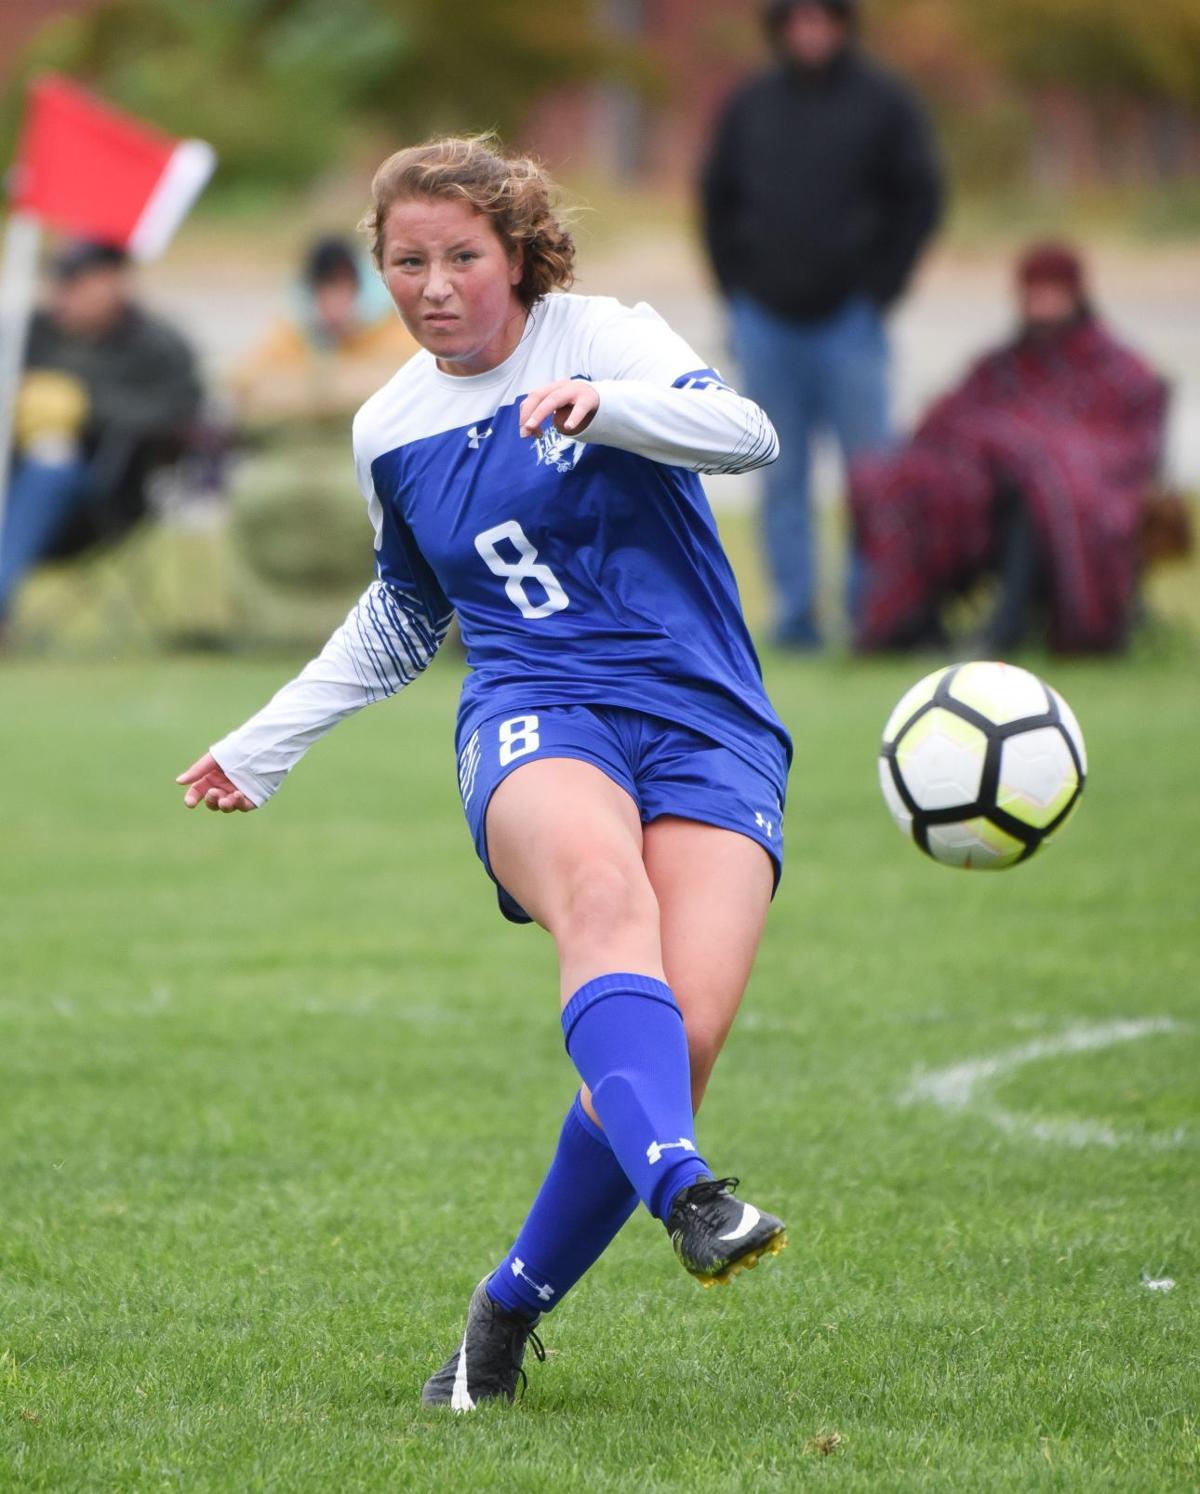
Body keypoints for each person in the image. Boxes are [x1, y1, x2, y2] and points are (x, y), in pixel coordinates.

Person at [178, 135, 791, 1411]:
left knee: (682, 1036)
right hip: (533, 707)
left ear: (516, 252)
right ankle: (690, 1192)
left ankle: (505, 1311)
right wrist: (266, 740)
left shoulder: (602, 335)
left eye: (462, 256)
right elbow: (407, 614)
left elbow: (747, 435)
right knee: (604, 901)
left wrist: (607, 406)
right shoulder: (390, 426)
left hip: (705, 714)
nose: (435, 285)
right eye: (408, 262)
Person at [700, 0, 943, 647]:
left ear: (842, 24)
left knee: (872, 476)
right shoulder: (750, 105)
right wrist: (736, 290)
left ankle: (875, 613)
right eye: (798, 20)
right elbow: (715, 200)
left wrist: (880, 288)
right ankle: (796, 617)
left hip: (850, 322)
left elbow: (921, 197)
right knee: (779, 474)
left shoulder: (885, 103)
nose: (810, 32)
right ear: (781, 28)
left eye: (822, 19)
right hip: (765, 320)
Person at [850, 243, 1169, 654]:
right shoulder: (1002, 365)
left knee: (1046, 483)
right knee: (897, 479)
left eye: (1053, 293)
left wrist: (1032, 449)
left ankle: (1007, 627)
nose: (1043, 305)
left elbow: (1126, 445)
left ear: (1076, 295)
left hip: (1074, 494)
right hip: (989, 490)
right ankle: (909, 627)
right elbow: (949, 420)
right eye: (1034, 293)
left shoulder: (1117, 368)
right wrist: (1004, 444)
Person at [0, 241, 202, 630]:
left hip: (105, 493)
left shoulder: (154, 344)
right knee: (43, 461)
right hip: (13, 482)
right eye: (62, 282)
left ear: (114, 282)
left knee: (51, 468)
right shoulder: (27, 335)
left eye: (79, 283)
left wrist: (85, 406)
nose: (65, 294)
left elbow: (181, 413)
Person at [230, 234, 418, 426]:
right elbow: (243, 387)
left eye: (343, 288)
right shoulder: (290, 338)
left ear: (360, 288)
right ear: (311, 293)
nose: (335, 303)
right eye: (326, 289)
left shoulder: (397, 333)